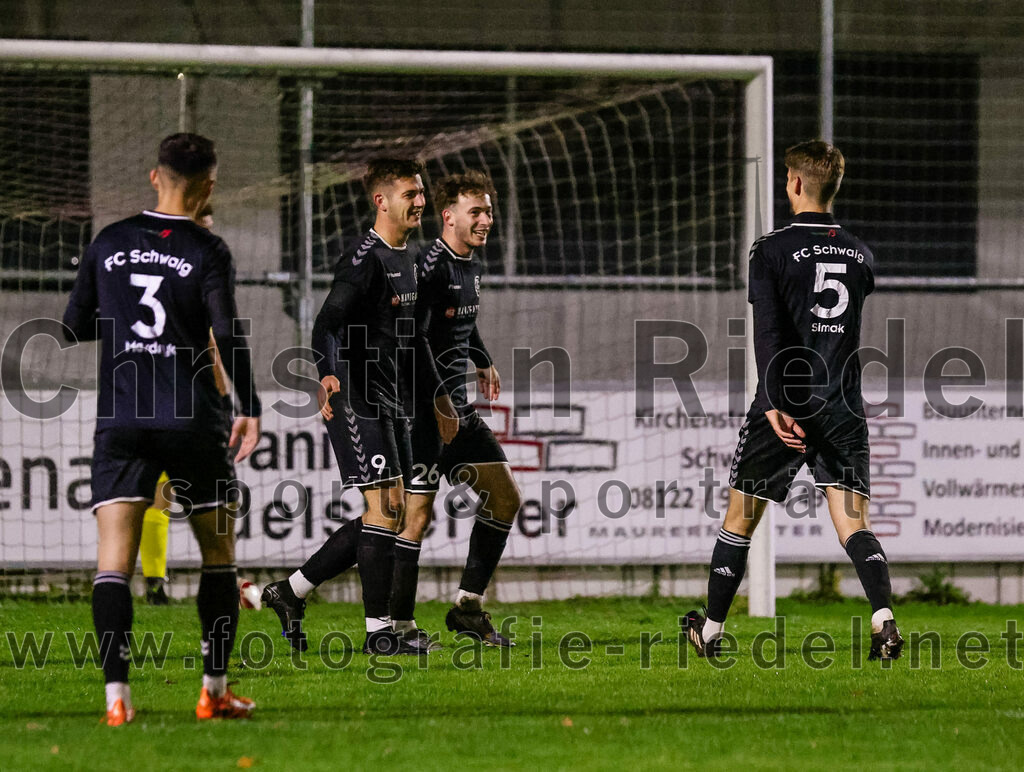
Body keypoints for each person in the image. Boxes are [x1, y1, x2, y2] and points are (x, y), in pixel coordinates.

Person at [262, 171, 520, 651]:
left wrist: (477, 362)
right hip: (403, 405)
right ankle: (390, 627)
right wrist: (330, 373)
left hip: (438, 403)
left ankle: (305, 593)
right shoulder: (412, 263)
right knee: (400, 515)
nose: (486, 219)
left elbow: (428, 333)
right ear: (449, 216)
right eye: (477, 211)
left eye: (489, 211)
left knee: (484, 500)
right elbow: (338, 325)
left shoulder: (444, 263)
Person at [62, 133, 262, 725]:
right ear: (210, 186)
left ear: (156, 176)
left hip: (122, 419)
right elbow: (226, 332)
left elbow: (73, 326)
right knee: (218, 555)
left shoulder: (109, 242)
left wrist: (126, 317)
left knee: (113, 562)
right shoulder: (207, 248)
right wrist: (249, 403)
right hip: (192, 417)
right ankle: (213, 691)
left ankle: (117, 701)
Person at [683, 140, 904, 661]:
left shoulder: (771, 249)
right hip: (842, 403)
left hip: (785, 403)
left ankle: (710, 631)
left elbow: (769, 333)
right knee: (853, 522)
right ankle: (884, 621)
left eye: (787, 177)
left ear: (797, 183)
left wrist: (774, 401)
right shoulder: (860, 253)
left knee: (740, 518)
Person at [262, 158, 448, 655]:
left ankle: (291, 591)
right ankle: (379, 634)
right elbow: (326, 324)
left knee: (391, 511)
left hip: (391, 399)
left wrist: (436, 396)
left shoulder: (409, 257)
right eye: (410, 194)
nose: (420, 202)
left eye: (421, 193)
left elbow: (413, 339)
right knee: (385, 510)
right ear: (381, 201)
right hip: (355, 396)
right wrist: (327, 375)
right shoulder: (363, 259)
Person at [140, 203, 230, 606]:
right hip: (175, 399)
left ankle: (152, 582)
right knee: (195, 496)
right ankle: (203, 581)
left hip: (149, 394)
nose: (207, 235)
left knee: (159, 492)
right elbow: (211, 344)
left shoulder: (152, 260)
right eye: (201, 226)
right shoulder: (195, 271)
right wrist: (224, 398)